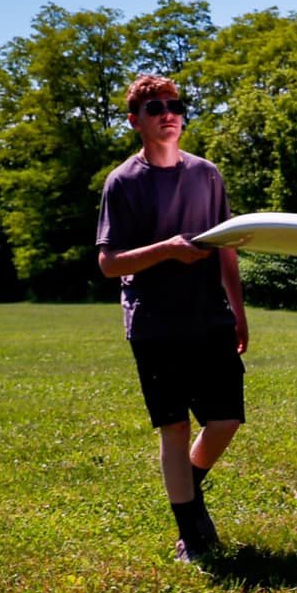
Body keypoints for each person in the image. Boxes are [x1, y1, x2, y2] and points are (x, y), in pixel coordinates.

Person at [96, 74, 249, 563]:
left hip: (210, 318)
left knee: (225, 419)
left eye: (175, 104)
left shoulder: (207, 174)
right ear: (134, 121)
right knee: (175, 427)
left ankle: (188, 489)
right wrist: (166, 250)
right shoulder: (122, 183)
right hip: (154, 323)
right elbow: (109, 263)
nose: (168, 112)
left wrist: (240, 313)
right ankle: (193, 535)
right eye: (156, 106)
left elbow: (226, 251)